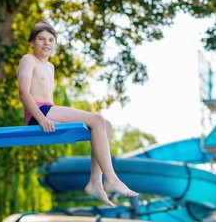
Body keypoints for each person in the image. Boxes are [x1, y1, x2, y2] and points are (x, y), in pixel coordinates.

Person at [17, 20, 138, 207]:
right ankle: (111, 178)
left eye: (50, 39)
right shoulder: (28, 59)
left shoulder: (50, 67)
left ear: (55, 44)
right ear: (32, 42)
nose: (46, 43)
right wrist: (42, 119)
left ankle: (95, 182)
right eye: (41, 39)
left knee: (105, 125)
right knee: (96, 119)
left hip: (49, 110)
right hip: (39, 113)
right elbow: (24, 93)